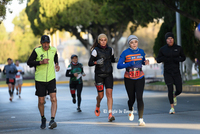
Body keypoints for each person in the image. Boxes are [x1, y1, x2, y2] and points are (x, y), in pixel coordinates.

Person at [27, 35, 60, 129]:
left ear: (49, 43)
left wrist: (57, 64)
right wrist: (40, 62)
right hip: (40, 79)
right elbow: (29, 62)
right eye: (44, 43)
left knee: (53, 99)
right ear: (41, 43)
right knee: (41, 101)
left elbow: (55, 56)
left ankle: (52, 120)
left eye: (47, 43)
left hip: (51, 78)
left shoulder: (53, 49)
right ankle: (43, 118)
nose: (46, 45)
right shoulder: (37, 51)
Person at [117, 35, 149, 126]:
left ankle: (140, 119)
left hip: (140, 77)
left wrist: (145, 62)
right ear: (129, 44)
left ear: (137, 42)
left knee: (139, 97)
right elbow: (119, 66)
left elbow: (142, 61)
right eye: (131, 42)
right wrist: (128, 64)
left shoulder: (141, 52)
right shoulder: (125, 53)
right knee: (132, 98)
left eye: (135, 42)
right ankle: (130, 109)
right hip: (129, 78)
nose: (134, 44)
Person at [88, 33, 118, 122]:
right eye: (101, 40)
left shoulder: (110, 50)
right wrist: (96, 62)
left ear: (106, 41)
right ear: (99, 41)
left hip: (109, 75)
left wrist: (116, 59)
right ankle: (98, 105)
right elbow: (90, 63)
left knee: (109, 94)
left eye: (105, 40)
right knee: (101, 96)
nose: (103, 42)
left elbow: (112, 60)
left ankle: (110, 114)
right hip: (99, 76)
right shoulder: (95, 50)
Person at [156, 32, 186, 114]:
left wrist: (178, 59)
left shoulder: (178, 48)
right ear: (166, 40)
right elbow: (158, 59)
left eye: (171, 38)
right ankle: (172, 108)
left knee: (179, 89)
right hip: (167, 72)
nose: (170, 40)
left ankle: (174, 95)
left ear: (173, 39)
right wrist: (164, 58)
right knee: (170, 88)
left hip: (176, 72)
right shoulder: (163, 49)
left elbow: (183, 57)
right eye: (168, 39)